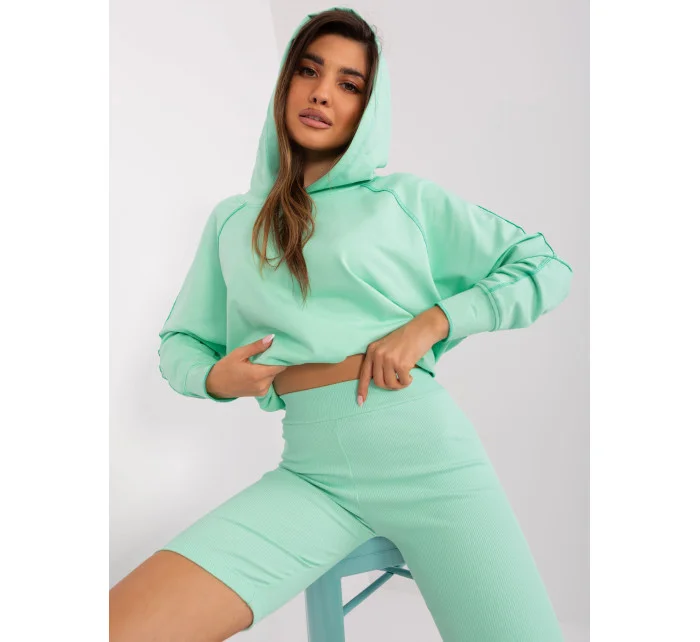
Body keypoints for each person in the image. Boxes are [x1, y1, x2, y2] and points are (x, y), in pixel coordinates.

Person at [110, 7, 573, 641]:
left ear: (367, 108)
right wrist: (216, 378)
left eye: (349, 84)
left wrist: (433, 322)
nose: (323, 93)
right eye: (309, 71)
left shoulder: (403, 200)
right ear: (286, 83)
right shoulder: (233, 222)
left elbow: (544, 266)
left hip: (426, 458)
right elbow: (181, 343)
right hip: (312, 475)